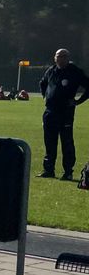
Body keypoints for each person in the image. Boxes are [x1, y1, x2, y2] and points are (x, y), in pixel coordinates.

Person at [38, 48, 89, 179]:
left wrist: (78, 101)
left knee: (67, 142)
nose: (61, 59)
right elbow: (43, 83)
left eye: (63, 56)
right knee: (49, 142)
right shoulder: (51, 70)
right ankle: (48, 170)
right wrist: (45, 96)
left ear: (68, 58)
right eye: (58, 56)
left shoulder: (75, 71)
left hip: (65, 112)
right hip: (50, 112)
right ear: (55, 58)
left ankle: (68, 172)